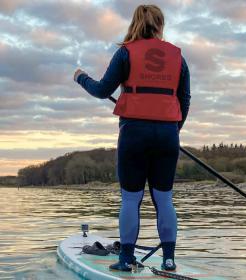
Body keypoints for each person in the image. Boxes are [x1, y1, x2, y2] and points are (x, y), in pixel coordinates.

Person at [74, 4, 191, 272]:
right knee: (164, 199)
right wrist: (174, 129)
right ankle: (169, 260)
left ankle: (126, 260)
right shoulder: (178, 57)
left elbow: (103, 90)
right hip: (167, 134)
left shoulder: (126, 52)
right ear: (160, 25)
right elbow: (184, 99)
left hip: (134, 133)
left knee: (130, 198)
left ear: (135, 24)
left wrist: (81, 78)